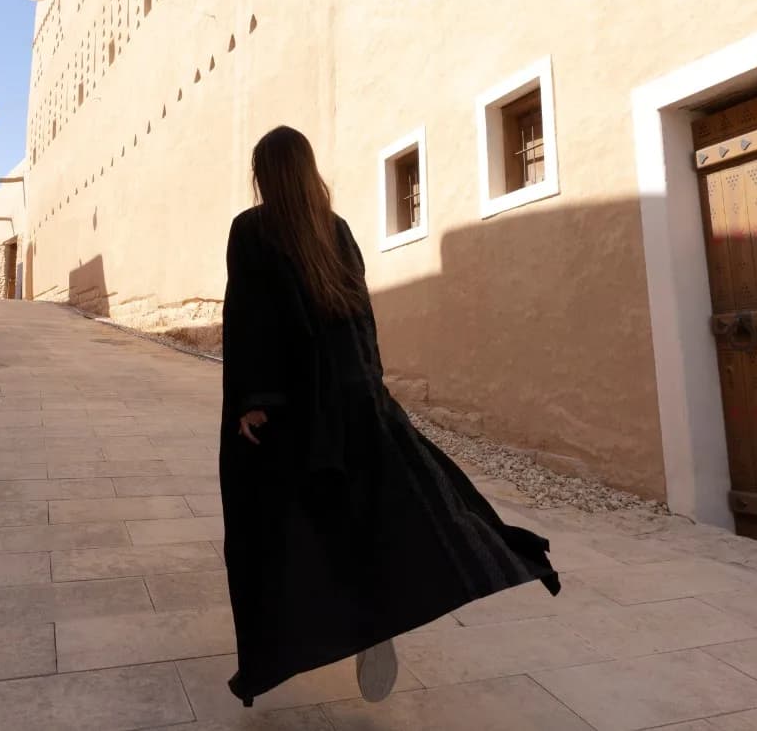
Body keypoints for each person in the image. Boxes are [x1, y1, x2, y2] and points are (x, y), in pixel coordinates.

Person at [219, 125, 561, 707]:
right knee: (384, 510)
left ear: (262, 174)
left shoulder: (252, 229)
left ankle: (317, 634)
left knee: (282, 532)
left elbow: (250, 320)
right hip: (354, 397)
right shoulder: (336, 229)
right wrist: (373, 391)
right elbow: (361, 315)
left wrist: (253, 400)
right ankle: (377, 618)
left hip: (297, 410)